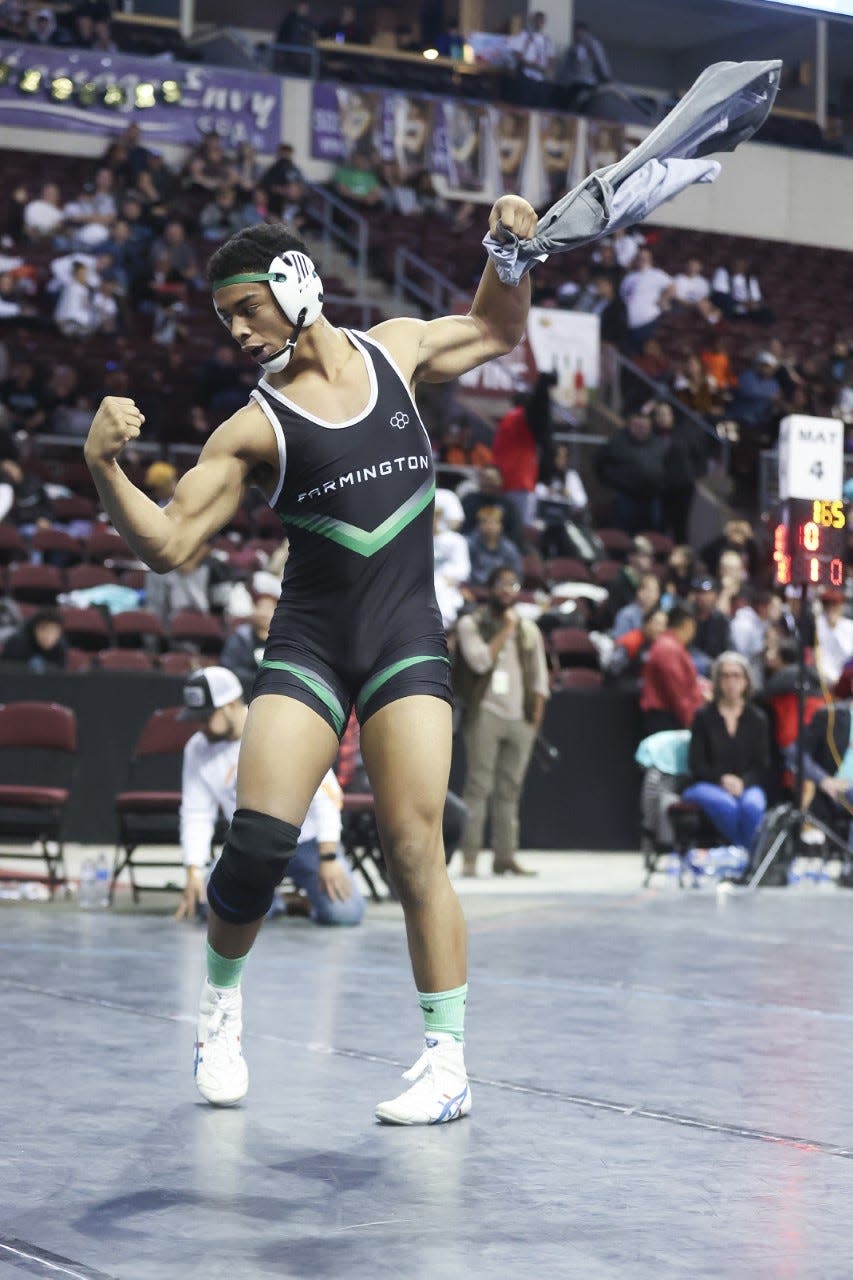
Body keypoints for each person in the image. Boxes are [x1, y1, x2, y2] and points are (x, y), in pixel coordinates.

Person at [83, 196, 539, 1125]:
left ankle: (446, 1066)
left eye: (245, 307)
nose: (238, 330)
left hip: (405, 639)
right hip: (310, 645)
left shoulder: (399, 351)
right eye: (225, 319)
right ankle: (218, 1014)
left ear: (296, 283)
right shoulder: (252, 428)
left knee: (417, 848)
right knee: (255, 845)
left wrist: (507, 248)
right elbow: (170, 546)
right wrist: (103, 468)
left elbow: (495, 326)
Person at [174, 667, 365, 927]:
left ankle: (269, 901)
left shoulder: (275, 727)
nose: (201, 726)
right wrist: (193, 872)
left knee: (345, 913)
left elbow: (326, 795)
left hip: (306, 841)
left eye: (207, 717)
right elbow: (196, 813)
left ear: (230, 705)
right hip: (249, 846)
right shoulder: (198, 748)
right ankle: (283, 901)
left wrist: (328, 856)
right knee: (209, 904)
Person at [454, 565, 549, 877]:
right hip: (485, 712)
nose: (507, 590)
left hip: (519, 716)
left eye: (513, 585)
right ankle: (469, 857)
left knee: (510, 790)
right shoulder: (472, 623)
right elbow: (479, 661)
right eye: (501, 584)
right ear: (490, 588)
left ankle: (505, 857)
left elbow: (539, 675)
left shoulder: (528, 629)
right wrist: (504, 630)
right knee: (478, 786)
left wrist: (536, 715)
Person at [681, 650, 770, 854]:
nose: (731, 682)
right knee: (726, 804)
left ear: (746, 681)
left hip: (746, 784)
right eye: (726, 676)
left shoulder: (757, 718)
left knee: (753, 805)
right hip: (708, 783)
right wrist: (722, 780)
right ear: (717, 681)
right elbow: (696, 763)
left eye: (737, 675)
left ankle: (743, 857)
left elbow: (762, 764)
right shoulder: (703, 716)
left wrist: (743, 783)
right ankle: (748, 856)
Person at [639, 604, 707, 736]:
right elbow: (678, 691)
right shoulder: (669, 648)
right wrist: (690, 721)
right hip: (665, 718)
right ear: (688, 624)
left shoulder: (670, 645)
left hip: (669, 715)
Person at [220, 572, 280, 682]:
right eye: (260, 607)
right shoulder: (239, 637)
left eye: (269, 609)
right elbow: (228, 667)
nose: (263, 613)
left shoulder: (284, 640)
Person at [1, 607, 67, 671]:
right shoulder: (17, 643)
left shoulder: (60, 647)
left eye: (53, 631)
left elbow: (60, 671)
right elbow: (5, 669)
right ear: (34, 629)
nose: (48, 636)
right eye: (43, 629)